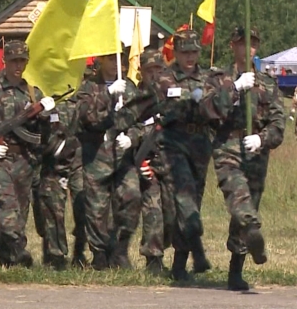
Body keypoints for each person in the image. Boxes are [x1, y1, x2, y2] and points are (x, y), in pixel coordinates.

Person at [199, 27, 285, 291]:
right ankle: (252, 231)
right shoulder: (217, 79)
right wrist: (234, 89)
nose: (248, 48)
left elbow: (279, 123)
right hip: (228, 148)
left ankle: (236, 269)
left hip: (256, 152)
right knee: (239, 198)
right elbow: (206, 110)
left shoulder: (268, 83)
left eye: (254, 43)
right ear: (232, 46)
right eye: (242, 43)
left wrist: (263, 138)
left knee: (249, 205)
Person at [0, 40, 55, 267]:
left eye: (22, 60)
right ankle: (21, 256)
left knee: (20, 216)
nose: (18, 65)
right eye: (14, 60)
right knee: (7, 213)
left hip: (25, 161)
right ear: (4, 61)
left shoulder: (33, 94)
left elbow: (45, 135)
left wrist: (48, 115)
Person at [151, 29, 214, 279]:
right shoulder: (165, 78)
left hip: (200, 142)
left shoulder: (208, 77)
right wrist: (191, 99)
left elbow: (215, 105)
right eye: (185, 52)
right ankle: (197, 252)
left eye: (194, 52)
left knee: (192, 202)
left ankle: (180, 264)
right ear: (175, 53)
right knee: (183, 200)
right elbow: (164, 106)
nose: (190, 57)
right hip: (173, 142)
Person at [77, 48, 141, 270]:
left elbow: (141, 120)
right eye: (110, 59)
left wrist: (132, 137)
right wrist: (107, 94)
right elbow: (83, 114)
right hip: (96, 154)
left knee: (132, 197)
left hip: (122, 157)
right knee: (96, 208)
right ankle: (100, 254)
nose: (116, 64)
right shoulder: (89, 87)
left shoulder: (129, 88)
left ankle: (120, 248)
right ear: (101, 60)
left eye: (119, 59)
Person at [131, 48, 176, 276]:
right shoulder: (135, 99)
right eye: (150, 71)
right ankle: (153, 259)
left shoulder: (170, 98)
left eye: (159, 70)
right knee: (154, 211)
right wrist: (138, 162)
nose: (155, 75)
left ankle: (163, 248)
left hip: (169, 163)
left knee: (171, 214)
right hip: (145, 164)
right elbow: (126, 129)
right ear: (141, 72)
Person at [35, 91, 85, 270]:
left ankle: (80, 252)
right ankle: (55, 257)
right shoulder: (39, 95)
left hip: (80, 161)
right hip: (53, 164)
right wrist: (43, 114)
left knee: (85, 206)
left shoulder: (84, 95)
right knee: (52, 208)